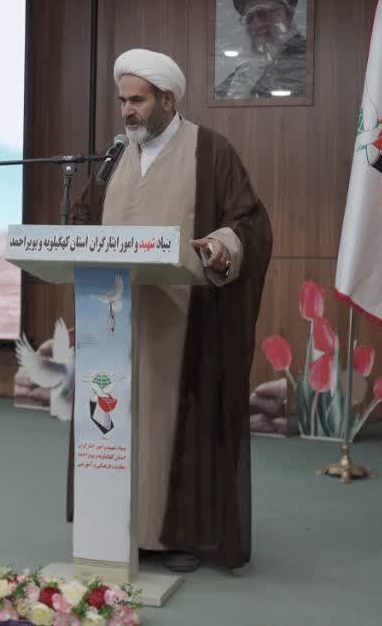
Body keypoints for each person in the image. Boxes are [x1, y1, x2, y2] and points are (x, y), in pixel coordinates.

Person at [69, 48, 272, 573]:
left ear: (167, 99)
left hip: (184, 322)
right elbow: (84, 220)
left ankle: (177, 534)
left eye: (138, 100)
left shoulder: (211, 150)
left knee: (172, 428)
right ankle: (115, 528)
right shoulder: (115, 157)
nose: (127, 111)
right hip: (114, 322)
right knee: (114, 417)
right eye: (123, 100)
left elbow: (248, 220)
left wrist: (223, 245)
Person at [214, 0, 308, 100]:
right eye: (249, 18)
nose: (256, 24)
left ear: (287, 13)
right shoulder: (245, 71)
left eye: (263, 14)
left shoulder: (308, 61)